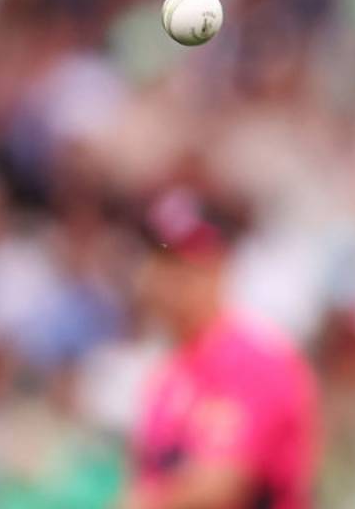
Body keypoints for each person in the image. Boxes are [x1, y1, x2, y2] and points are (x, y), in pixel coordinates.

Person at [123, 188, 318, 509]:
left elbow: (223, 486)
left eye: (183, 262)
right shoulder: (166, 375)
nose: (169, 279)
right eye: (161, 259)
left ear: (219, 265)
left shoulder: (258, 359)